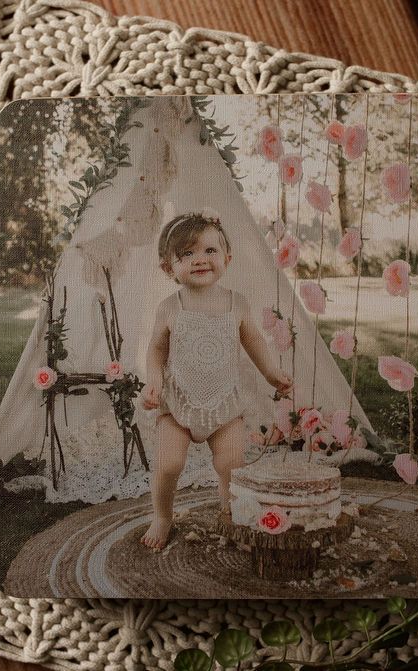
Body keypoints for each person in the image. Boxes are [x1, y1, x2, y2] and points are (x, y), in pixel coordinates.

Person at [140, 211, 292, 550]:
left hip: (225, 404)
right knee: (168, 464)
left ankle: (230, 512)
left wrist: (271, 373)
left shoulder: (237, 303)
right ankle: (163, 515)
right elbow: (157, 349)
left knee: (231, 464)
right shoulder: (169, 307)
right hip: (177, 403)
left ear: (227, 258)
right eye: (187, 254)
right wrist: (154, 383)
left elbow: (253, 341)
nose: (199, 260)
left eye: (209, 251)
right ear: (169, 268)